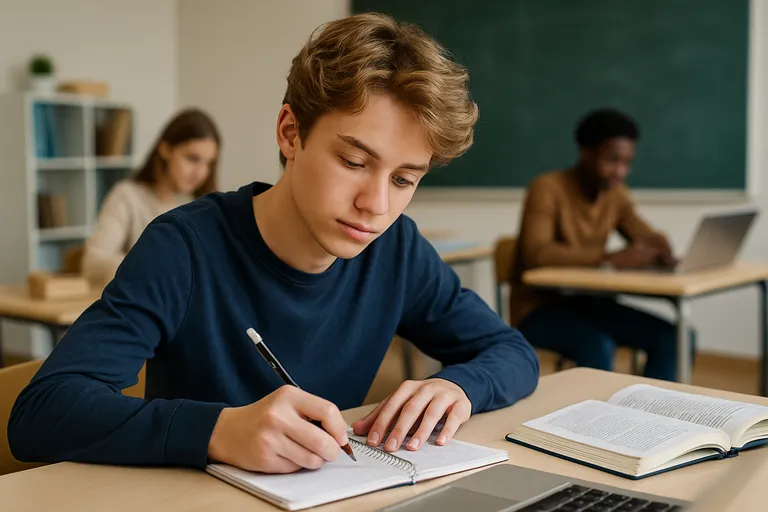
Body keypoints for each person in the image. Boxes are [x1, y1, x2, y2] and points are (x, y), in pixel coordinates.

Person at [9, 13, 539, 475]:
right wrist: (218, 430)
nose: (376, 205)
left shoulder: (396, 248)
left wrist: (462, 387)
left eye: (404, 179)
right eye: (354, 162)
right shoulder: (184, 247)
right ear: (290, 133)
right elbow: (43, 413)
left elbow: (511, 351)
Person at [510, 108, 694, 382]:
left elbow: (642, 233)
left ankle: (652, 417)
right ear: (586, 152)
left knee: (676, 337)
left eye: (627, 162)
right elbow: (537, 253)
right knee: (598, 345)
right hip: (539, 309)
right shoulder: (547, 188)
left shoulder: (616, 193)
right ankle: (595, 424)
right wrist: (609, 258)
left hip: (591, 303)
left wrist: (659, 248)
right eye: (612, 160)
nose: (620, 171)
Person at [81, 108, 220, 287]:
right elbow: (93, 263)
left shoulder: (205, 206)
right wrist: (158, 269)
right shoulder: (127, 196)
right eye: (192, 159)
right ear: (165, 149)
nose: (200, 173)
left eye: (209, 163)